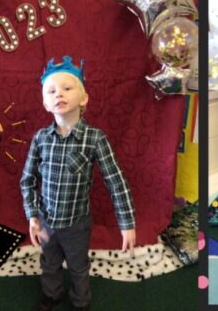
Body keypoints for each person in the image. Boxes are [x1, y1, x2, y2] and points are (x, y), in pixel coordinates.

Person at [21, 56, 136, 311]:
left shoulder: (95, 138)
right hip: (46, 221)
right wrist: (32, 216)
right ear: (45, 103)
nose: (59, 94)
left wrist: (127, 223)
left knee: (78, 266)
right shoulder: (40, 138)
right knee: (49, 263)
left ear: (83, 98)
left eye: (67, 88)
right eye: (51, 91)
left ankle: (80, 302)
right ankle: (52, 295)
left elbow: (116, 181)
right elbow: (27, 179)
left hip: (77, 225)